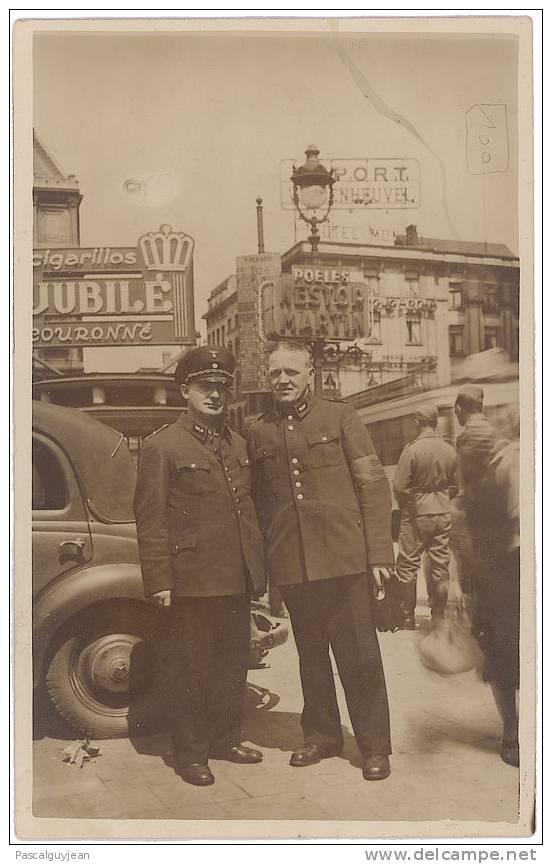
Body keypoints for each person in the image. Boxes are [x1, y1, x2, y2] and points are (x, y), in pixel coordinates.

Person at [249, 340, 395, 781]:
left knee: (360, 658)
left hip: (345, 560)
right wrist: (268, 571)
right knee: (310, 657)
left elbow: (372, 484)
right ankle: (321, 736)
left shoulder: (341, 416)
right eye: (275, 373)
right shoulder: (259, 430)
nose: (283, 380)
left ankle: (374, 746)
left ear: (310, 372)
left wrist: (379, 555)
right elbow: (260, 503)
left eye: (292, 372)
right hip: (294, 565)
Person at [133, 346, 266, 786]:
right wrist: (159, 580)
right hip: (189, 579)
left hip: (234, 577)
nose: (214, 395)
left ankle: (224, 738)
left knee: (232, 664)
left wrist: (255, 571)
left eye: (221, 388)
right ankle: (190, 752)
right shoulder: (162, 446)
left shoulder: (238, 444)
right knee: (189, 668)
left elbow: (247, 512)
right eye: (206, 387)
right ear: (185, 391)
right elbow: (151, 519)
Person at [455, 389, 520, 767]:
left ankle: (513, 729)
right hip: (507, 569)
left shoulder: (489, 452)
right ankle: (511, 731)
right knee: (503, 653)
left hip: (506, 569)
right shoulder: (499, 458)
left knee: (505, 653)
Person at [393, 404, 458, 629]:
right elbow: (456, 486)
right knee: (440, 565)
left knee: (407, 565)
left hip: (415, 514)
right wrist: (440, 498)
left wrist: (410, 505)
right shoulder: (449, 450)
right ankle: (438, 617)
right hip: (442, 512)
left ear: (417, 422)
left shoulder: (411, 450)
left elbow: (400, 486)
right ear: (436, 422)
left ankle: (407, 617)